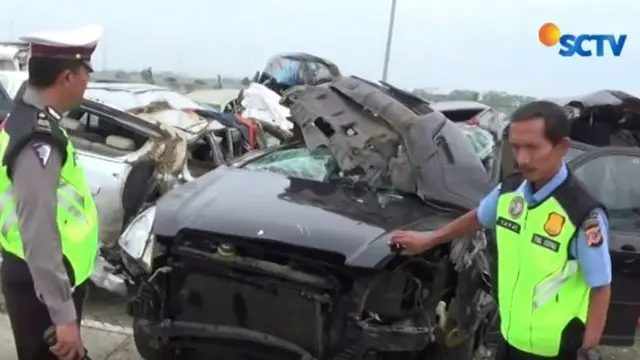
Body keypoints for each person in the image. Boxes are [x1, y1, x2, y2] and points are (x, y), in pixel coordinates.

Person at [390, 101, 611, 360]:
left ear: (561, 147)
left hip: (556, 349)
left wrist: (588, 351)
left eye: (532, 147)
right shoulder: (509, 191)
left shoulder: (582, 213)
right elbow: (478, 216)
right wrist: (429, 239)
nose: (522, 159)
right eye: (516, 147)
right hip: (508, 336)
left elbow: (601, 287)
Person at [0, 25, 103, 360]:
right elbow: (38, 230)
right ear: (68, 78)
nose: (88, 82)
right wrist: (63, 316)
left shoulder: (25, 117)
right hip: (43, 288)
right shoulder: (37, 140)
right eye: (86, 72)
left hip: (39, 280)